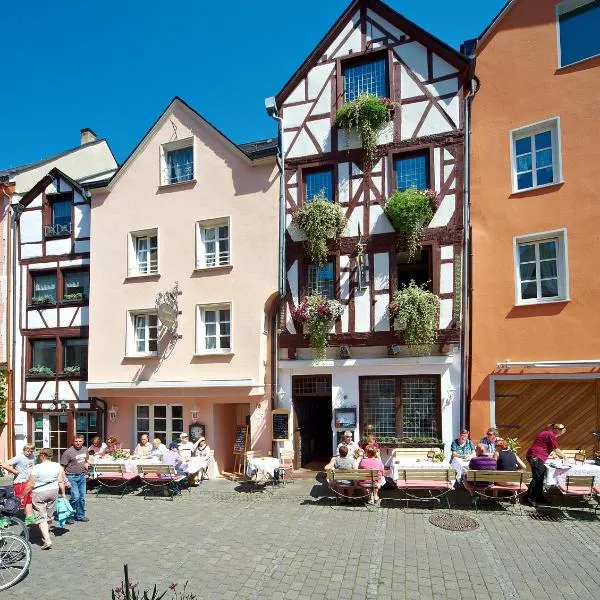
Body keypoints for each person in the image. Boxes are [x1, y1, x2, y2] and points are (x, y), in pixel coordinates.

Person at [21, 448, 67, 550]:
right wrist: (63, 493)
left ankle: (47, 540)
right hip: (53, 491)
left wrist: (22, 495)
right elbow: (60, 481)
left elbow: (31, 484)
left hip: (39, 492)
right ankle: (47, 531)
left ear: (43, 455)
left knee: (41, 516)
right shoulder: (57, 466)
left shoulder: (37, 467)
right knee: (49, 514)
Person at [526, 423, 567, 506]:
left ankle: (538, 497)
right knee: (537, 478)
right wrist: (565, 457)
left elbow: (548, 447)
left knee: (539, 477)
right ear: (556, 430)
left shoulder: (547, 433)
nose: (561, 434)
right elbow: (556, 449)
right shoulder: (550, 434)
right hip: (536, 457)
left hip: (535, 456)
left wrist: (552, 454)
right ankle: (531, 499)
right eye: (561, 432)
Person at [1, 443, 36, 525]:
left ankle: (29, 518)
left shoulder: (33, 456)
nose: (29, 453)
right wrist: (15, 471)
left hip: (29, 482)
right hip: (20, 482)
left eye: (31, 451)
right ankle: (5, 519)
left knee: (29, 501)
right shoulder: (19, 457)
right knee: (16, 501)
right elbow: (4, 464)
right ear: (24, 450)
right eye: (27, 451)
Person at [60, 435, 89, 523]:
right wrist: (65, 480)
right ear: (73, 442)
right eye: (76, 441)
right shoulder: (68, 452)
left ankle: (80, 515)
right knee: (75, 497)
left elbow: (85, 462)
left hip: (82, 476)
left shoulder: (85, 449)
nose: (78, 443)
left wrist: (89, 470)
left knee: (82, 497)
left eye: (80, 441)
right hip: (71, 477)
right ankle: (69, 515)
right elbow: (61, 468)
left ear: (83, 441)